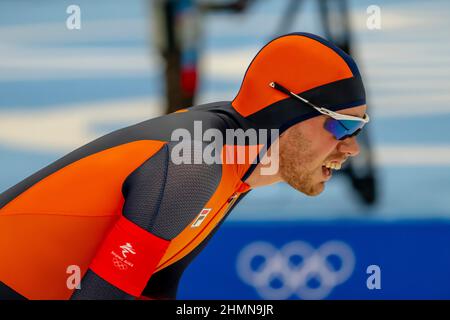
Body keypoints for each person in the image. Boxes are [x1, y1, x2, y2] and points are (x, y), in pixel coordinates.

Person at [0, 32, 368, 300]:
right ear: (288, 112)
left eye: (360, 129)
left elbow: (156, 284)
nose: (352, 148)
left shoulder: (242, 163)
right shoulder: (194, 161)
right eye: (342, 126)